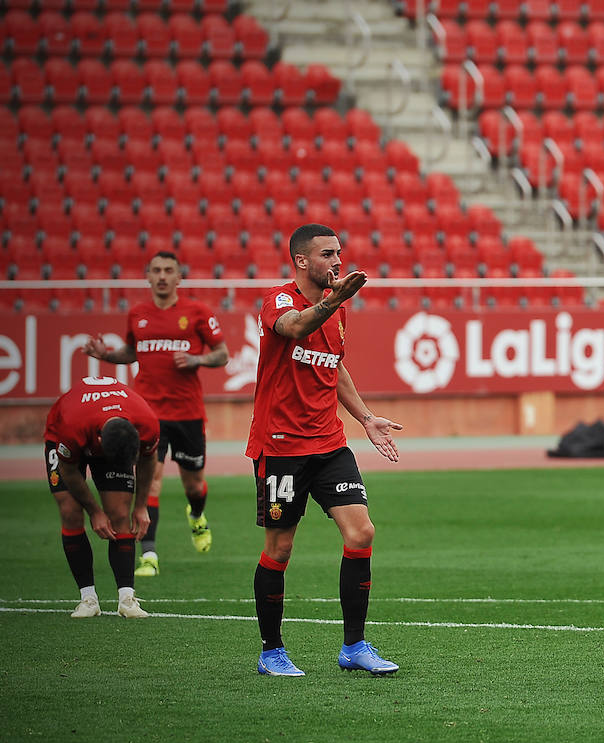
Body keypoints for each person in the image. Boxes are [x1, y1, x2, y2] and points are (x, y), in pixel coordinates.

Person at [246, 223, 404, 677]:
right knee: (279, 548)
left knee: (361, 534)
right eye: (327, 254)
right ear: (301, 261)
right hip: (280, 447)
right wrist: (333, 299)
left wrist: (366, 418)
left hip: (329, 443)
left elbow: (333, 368)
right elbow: (295, 327)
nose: (337, 261)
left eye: (339, 253)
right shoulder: (279, 299)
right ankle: (271, 651)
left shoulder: (338, 311)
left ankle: (354, 646)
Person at [83, 251, 228, 577]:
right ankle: (149, 555)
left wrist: (196, 360)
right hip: (148, 414)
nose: (162, 276)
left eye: (168, 271)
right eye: (156, 271)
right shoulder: (137, 314)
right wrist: (105, 354)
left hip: (188, 414)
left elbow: (222, 355)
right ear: (148, 276)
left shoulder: (197, 312)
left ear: (179, 277)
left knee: (194, 486)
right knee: (152, 483)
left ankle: (197, 515)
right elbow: (132, 351)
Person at [44, 376, 159, 619]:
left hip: (105, 430)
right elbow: (68, 470)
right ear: (98, 443)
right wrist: (94, 511)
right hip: (64, 439)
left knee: (119, 513)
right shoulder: (72, 428)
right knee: (70, 512)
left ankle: (127, 599)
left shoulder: (147, 422)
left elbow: (149, 459)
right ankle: (88, 599)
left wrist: (140, 506)